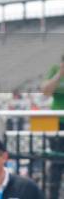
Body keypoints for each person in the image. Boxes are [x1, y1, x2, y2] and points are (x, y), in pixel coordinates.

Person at [41, 55, 64, 199]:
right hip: (58, 123)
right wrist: (59, 74)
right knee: (56, 164)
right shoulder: (55, 69)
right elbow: (46, 91)